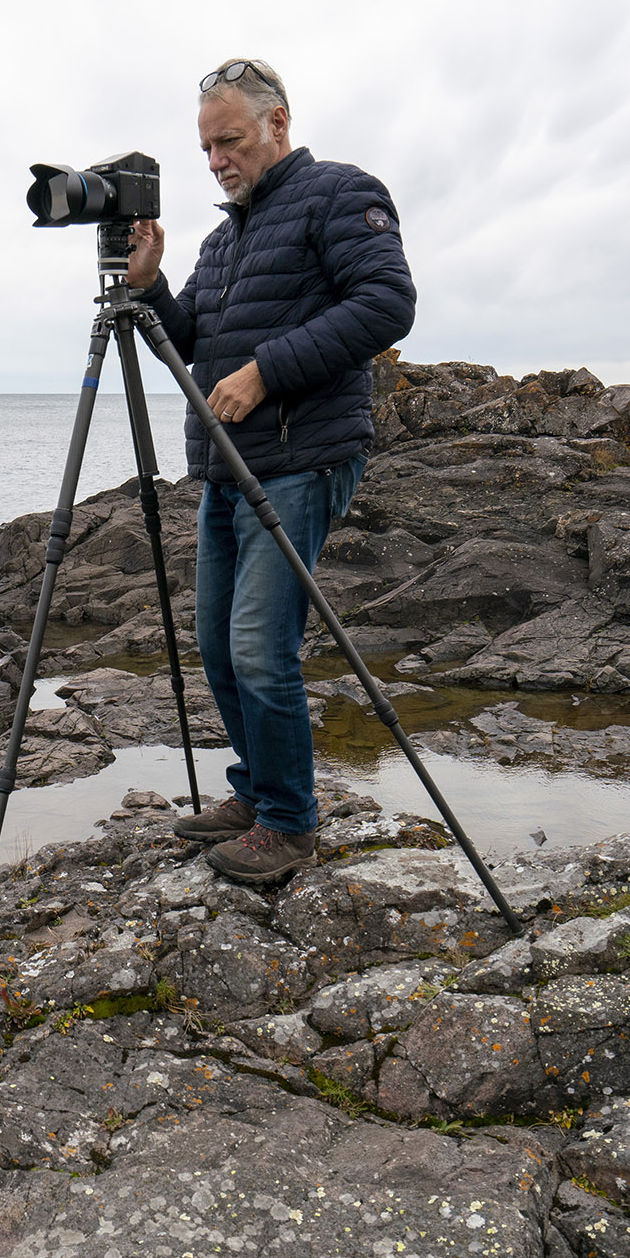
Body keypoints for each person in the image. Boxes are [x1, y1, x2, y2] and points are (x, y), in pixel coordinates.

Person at [125, 57, 415, 884]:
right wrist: (152, 291)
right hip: (226, 467)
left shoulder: (339, 193)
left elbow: (387, 303)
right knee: (219, 643)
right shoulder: (221, 241)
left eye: (231, 142)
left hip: (304, 454)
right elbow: (194, 350)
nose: (217, 161)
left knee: (259, 645)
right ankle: (256, 792)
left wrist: (267, 371)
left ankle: (290, 824)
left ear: (277, 125)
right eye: (207, 148)